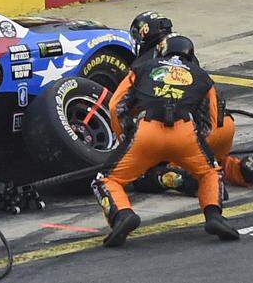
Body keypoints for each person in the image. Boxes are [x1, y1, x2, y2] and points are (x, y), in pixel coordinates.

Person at [91, 35, 240, 247]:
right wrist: (196, 140)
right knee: (210, 173)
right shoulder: (203, 76)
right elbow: (214, 120)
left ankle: (123, 215)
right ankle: (214, 216)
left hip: (146, 132)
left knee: (105, 180)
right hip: (185, 133)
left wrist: (125, 135)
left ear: (161, 52)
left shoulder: (142, 67)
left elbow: (116, 105)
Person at [126, 13, 253, 194]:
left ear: (143, 35)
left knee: (140, 175)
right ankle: (242, 169)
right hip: (223, 126)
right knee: (214, 161)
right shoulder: (186, 53)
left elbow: (123, 106)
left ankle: (179, 177)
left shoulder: (142, 65)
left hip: (185, 133)